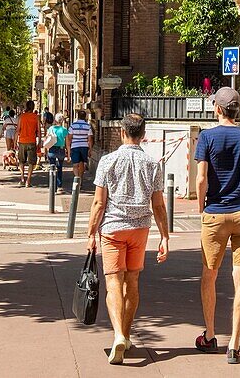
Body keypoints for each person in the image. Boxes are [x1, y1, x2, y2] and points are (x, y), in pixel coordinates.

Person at [87, 113, 169, 365]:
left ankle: (119, 335)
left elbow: (99, 202)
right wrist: (165, 236)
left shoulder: (107, 161)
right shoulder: (152, 164)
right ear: (143, 135)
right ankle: (127, 332)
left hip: (113, 229)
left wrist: (91, 233)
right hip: (139, 229)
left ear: (122, 132)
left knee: (113, 282)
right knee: (132, 281)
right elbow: (158, 205)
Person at [194, 86, 240, 365]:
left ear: (218, 109)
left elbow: (201, 178)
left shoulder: (207, 137)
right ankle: (234, 345)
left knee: (209, 276)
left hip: (214, 213)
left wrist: (202, 206)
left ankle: (210, 334)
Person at [15, 100, 41, 188]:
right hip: (32, 141)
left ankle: (22, 178)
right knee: (31, 162)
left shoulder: (21, 116)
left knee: (21, 161)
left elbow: (17, 130)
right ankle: (28, 181)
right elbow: (39, 131)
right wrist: (39, 142)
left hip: (22, 141)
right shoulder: (36, 117)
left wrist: (15, 142)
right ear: (33, 107)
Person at [67, 108, 93, 182]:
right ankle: (80, 178)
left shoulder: (73, 125)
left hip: (75, 146)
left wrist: (69, 148)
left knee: (75, 164)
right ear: (85, 117)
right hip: (84, 146)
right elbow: (90, 139)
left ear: (78, 116)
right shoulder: (88, 126)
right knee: (83, 164)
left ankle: (77, 178)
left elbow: (69, 137)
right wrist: (90, 149)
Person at [48, 111, 69, 192]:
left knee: (52, 168)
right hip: (61, 149)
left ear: (55, 120)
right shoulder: (64, 130)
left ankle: (52, 186)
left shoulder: (51, 129)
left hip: (52, 149)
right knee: (59, 168)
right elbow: (67, 144)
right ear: (62, 121)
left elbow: (48, 140)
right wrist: (68, 155)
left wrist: (46, 150)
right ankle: (59, 186)